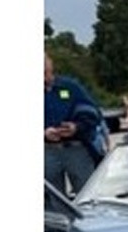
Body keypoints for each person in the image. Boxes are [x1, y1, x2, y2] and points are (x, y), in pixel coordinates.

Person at [44, 52, 104, 196]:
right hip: (46, 152)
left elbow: (92, 112)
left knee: (87, 194)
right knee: (52, 200)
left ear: (50, 64)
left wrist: (75, 127)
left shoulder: (70, 87)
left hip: (76, 150)